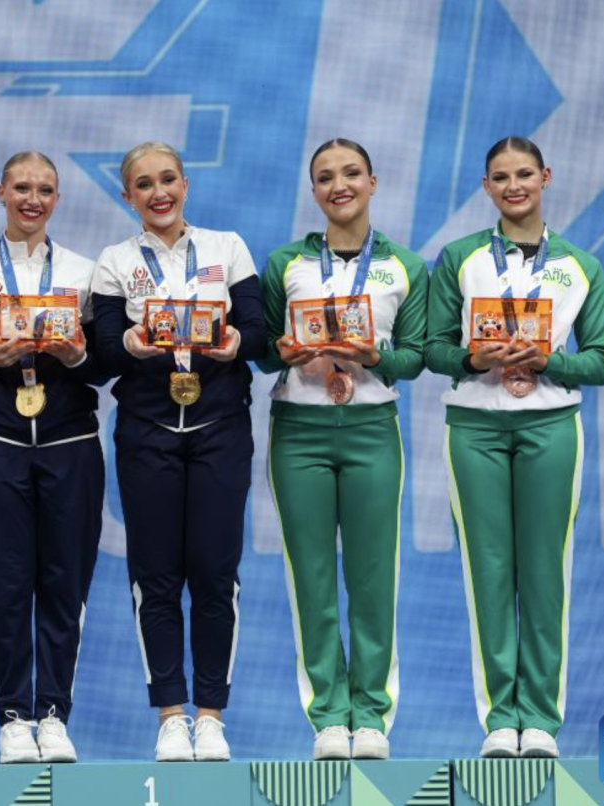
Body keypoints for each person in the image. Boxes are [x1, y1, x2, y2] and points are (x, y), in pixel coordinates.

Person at [425, 136, 604, 759]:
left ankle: (540, 720)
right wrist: (472, 356)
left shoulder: (580, 266)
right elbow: (432, 350)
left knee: (544, 574)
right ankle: (499, 721)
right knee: (489, 572)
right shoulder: (460, 257)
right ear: (486, 187)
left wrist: (553, 360)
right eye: (501, 177)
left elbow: (602, 360)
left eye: (524, 174)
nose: (514, 186)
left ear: (546, 177)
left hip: (550, 425)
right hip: (475, 426)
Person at [90, 142, 265, 762]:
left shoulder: (227, 247)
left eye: (168, 180)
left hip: (220, 426)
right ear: (128, 196)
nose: (158, 192)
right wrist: (132, 346)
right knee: (155, 576)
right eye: (144, 184)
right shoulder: (115, 261)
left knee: (216, 575)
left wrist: (235, 340)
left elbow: (259, 330)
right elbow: (100, 350)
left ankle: (211, 714)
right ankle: (170, 713)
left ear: (185, 185)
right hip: (148, 430)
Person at [257, 139, 427, 761]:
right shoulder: (286, 263)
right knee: (312, 575)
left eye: (351, 173)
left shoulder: (404, 264)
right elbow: (259, 349)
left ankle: (372, 715)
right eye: (325, 177)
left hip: (371, 426)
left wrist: (376, 355)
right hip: (298, 429)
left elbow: (418, 356)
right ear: (314, 191)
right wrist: (280, 350)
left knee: (373, 573)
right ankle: (329, 714)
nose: (339, 185)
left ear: (373, 182)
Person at [0, 151, 109, 764]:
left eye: (44, 190)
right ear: (0, 192)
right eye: (21, 188)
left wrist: (74, 357)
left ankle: (55, 714)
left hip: (70, 442)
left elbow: (107, 366)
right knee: (4, 585)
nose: (32, 199)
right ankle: (13, 715)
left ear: (57, 199)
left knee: (66, 583)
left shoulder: (85, 274)